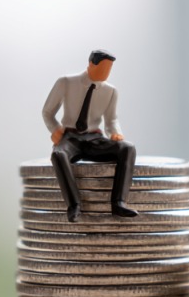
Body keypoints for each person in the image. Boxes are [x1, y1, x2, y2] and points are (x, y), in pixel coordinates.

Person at [41, 50, 138, 221]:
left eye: (109, 70)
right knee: (58, 154)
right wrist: (55, 129)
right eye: (103, 68)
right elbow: (47, 111)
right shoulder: (66, 82)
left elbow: (111, 119)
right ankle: (74, 205)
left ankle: (118, 203)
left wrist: (115, 132)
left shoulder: (111, 91)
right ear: (91, 64)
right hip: (70, 137)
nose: (106, 73)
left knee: (127, 148)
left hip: (94, 138)